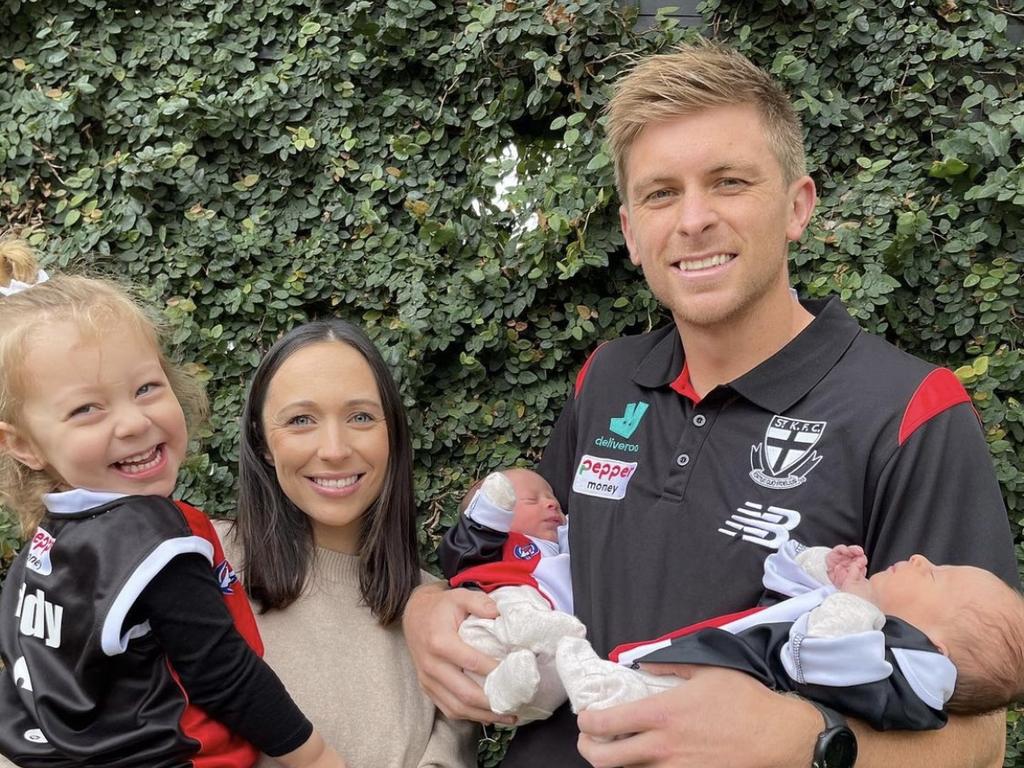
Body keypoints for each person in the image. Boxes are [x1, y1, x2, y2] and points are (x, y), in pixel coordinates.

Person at [401, 42, 1019, 768]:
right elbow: (536, 567)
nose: (693, 219)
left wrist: (804, 742)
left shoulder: (908, 409)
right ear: (631, 232)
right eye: (661, 193)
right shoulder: (607, 376)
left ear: (797, 207)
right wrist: (426, 608)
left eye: (728, 182)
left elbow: (980, 732)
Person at [0, 240, 344, 768]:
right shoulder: (148, 537)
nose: (134, 421)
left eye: (145, 388)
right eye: (87, 408)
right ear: (22, 443)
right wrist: (316, 756)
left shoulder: (49, 543)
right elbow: (223, 672)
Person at [216, 319, 476, 768]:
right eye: (301, 420)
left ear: (390, 433)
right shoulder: (203, 565)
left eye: (359, 417)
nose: (334, 449)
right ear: (262, 442)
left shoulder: (439, 618)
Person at [557, 541, 1024, 731]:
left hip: (716, 697)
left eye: (936, 576)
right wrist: (824, 568)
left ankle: (599, 690)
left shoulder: (898, 676)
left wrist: (859, 601)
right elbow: (782, 585)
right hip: (707, 655)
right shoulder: (863, 622)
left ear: (935, 651)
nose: (922, 559)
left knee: (650, 697)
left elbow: (814, 652)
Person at [440, 469, 590, 724]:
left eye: (552, 497)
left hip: (544, 663)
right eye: (532, 500)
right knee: (509, 601)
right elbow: (462, 548)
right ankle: (521, 639)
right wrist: (488, 514)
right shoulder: (495, 542)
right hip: (497, 618)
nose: (552, 503)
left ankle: (513, 682)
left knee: (559, 670)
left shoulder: (565, 543)